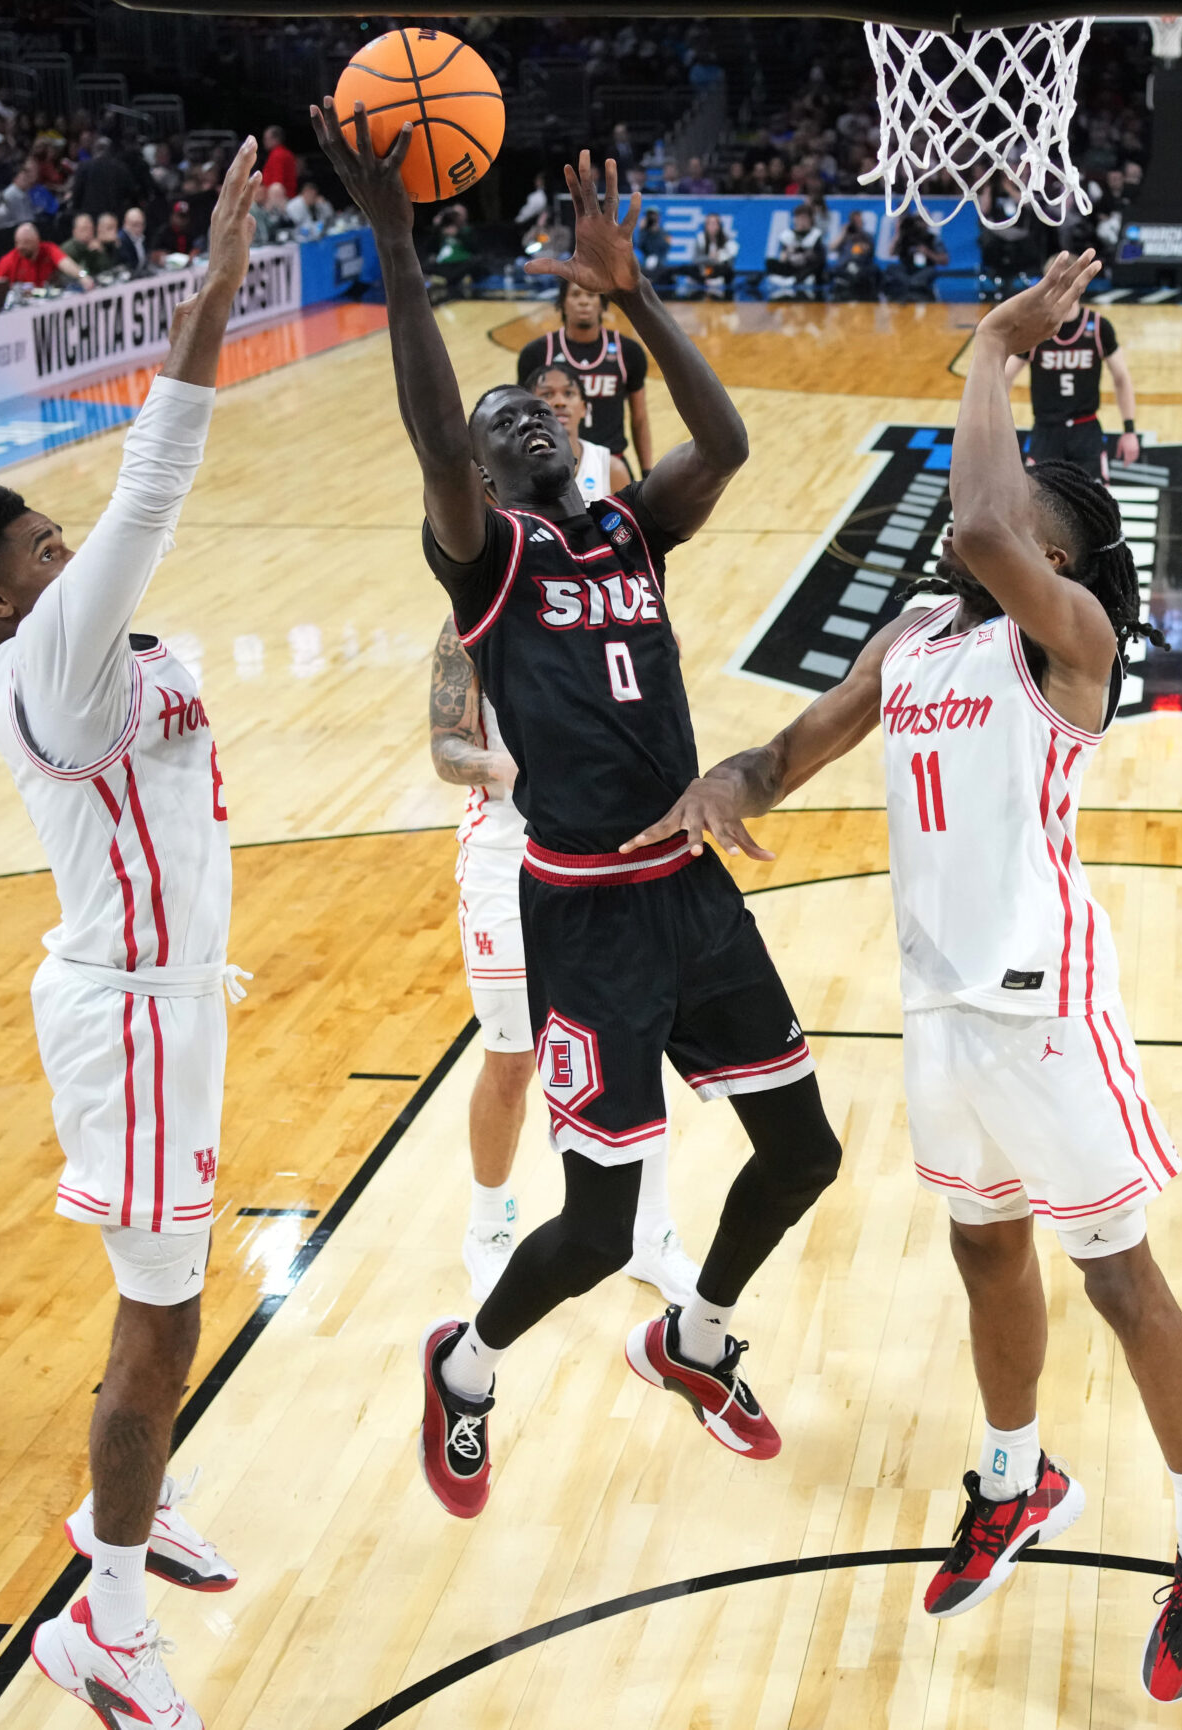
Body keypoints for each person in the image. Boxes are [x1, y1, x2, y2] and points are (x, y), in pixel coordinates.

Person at [637, 246, 1182, 1701]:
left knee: (1116, 1275)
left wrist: (993, 348)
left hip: (1046, 1010)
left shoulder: (1078, 644)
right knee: (984, 1249)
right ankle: (1015, 1476)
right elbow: (798, 747)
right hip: (936, 1007)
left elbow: (981, 519)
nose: (989, 523)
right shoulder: (919, 636)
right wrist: (730, 778)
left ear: (1067, 555)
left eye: (1033, 517)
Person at [313, 115, 847, 1508]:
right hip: (588, 913)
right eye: (501, 423)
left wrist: (640, 293)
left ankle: (698, 1337)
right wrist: (396, 248)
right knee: (600, 1226)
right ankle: (468, 1362)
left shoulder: (624, 525)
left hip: (690, 886)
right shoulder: (486, 563)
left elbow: (724, 439)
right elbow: (436, 423)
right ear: (475, 481)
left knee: (806, 1150)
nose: (523, 413)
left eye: (539, 405)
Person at [0, 139, 264, 1730]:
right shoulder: (55, 656)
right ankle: (104, 1623)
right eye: (38, 551)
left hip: (166, 999)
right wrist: (212, 289)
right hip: (128, 1014)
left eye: (56, 542)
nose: (67, 554)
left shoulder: (79, 642)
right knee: (163, 1313)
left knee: (165, 1304)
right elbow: (158, 471)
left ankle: (127, 1513)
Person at [428, 362, 702, 1310]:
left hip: (612, 850)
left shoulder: (612, 563)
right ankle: (490, 1215)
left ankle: (649, 1228)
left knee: (647, 1040)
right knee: (511, 1056)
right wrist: (516, 773)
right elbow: (445, 745)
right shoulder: (478, 594)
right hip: (512, 849)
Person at [513, 277, 655, 478]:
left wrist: (646, 471)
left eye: (591, 295)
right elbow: (522, 418)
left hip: (610, 462)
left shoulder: (628, 352)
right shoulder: (537, 354)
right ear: (562, 302)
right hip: (553, 462)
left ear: (602, 303)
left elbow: (639, 418)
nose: (584, 301)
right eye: (575, 294)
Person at [1007, 301, 1138, 478]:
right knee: (1038, 502)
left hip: (1085, 429)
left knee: (1092, 501)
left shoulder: (1099, 326)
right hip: (1046, 429)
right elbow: (1004, 377)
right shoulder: (1036, 328)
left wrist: (1129, 430)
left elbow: (1121, 378)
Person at [0, 220, 94, 293]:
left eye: (26, 242)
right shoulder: (8, 260)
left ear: (37, 241)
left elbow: (65, 263)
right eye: (17, 242)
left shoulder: (48, 249)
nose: (20, 247)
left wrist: (82, 275)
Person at [765, 202, 827, 298]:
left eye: (804, 218)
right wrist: (789, 252)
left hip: (806, 266)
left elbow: (817, 256)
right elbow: (783, 258)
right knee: (769, 262)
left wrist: (803, 253)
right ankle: (788, 279)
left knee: (819, 264)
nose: (802, 221)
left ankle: (797, 279)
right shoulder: (787, 235)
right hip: (792, 265)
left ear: (811, 219)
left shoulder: (816, 234)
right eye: (799, 218)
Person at [689, 212, 737, 299]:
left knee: (726, 270)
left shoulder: (727, 241)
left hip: (719, 272)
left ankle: (714, 282)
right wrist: (711, 258)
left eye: (714, 223)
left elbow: (730, 263)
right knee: (686, 269)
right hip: (703, 271)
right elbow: (695, 259)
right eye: (709, 223)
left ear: (719, 226)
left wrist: (718, 258)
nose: (712, 226)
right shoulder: (701, 239)